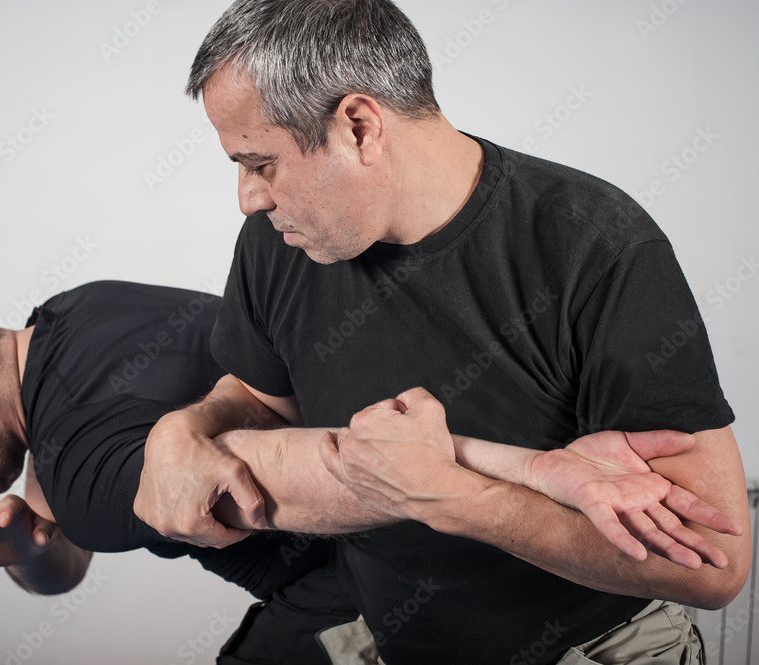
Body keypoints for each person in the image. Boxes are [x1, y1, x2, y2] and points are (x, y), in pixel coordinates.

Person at [132, 1, 753, 663]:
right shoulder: (276, 243)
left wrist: (458, 497)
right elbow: (261, 399)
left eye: (261, 164)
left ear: (361, 127)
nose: (248, 197)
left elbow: (713, 566)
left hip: (593, 646)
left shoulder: (592, 245)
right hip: (396, 634)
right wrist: (183, 429)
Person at [0, 280, 363, 664]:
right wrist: (29, 549)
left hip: (368, 573)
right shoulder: (74, 312)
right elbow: (65, 546)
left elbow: (86, 487)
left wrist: (426, 486)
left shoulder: (72, 456)